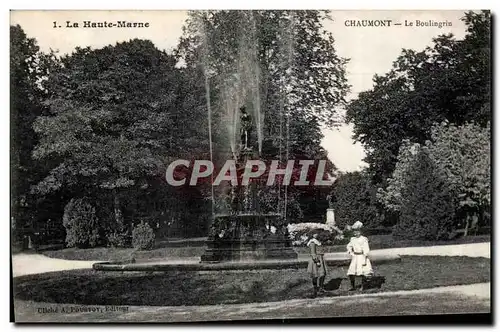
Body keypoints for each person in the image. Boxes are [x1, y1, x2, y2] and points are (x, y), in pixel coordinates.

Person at [346, 221, 373, 291]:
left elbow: (366, 249)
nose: (355, 233)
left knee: (362, 272)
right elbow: (349, 246)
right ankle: (352, 286)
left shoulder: (363, 239)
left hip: (361, 257)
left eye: (357, 231)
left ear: (360, 231)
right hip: (355, 257)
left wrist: (365, 257)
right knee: (351, 272)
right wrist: (351, 252)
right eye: (354, 232)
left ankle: (363, 286)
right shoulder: (353, 239)